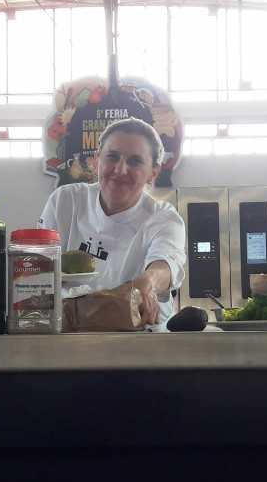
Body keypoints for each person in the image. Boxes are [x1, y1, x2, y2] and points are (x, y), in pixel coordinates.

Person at [39, 118, 186, 328]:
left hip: (138, 342)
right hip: (67, 337)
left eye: (135, 161)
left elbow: (166, 265)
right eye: (112, 157)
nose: (120, 170)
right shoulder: (65, 201)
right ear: (97, 160)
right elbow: (41, 271)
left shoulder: (164, 219)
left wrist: (148, 282)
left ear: (153, 173)